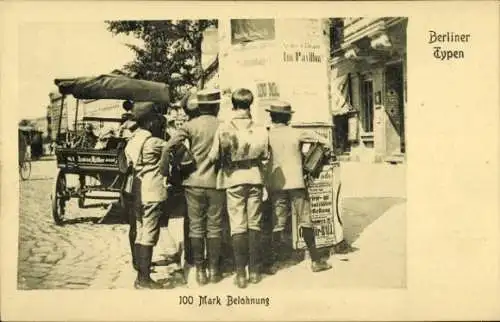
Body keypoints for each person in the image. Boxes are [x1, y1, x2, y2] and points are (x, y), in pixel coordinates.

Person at [159, 88, 225, 287]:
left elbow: (167, 147)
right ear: (216, 106)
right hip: (217, 183)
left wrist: (166, 173)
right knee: (214, 227)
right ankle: (214, 271)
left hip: (192, 183)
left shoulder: (189, 126)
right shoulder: (223, 125)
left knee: (195, 226)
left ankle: (200, 271)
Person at [208, 88, 269, 289]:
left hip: (233, 178)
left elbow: (213, 157)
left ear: (233, 105)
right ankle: (254, 272)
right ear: (249, 105)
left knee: (238, 225)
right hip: (255, 177)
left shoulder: (225, 129)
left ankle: (240, 274)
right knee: (255, 224)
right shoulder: (260, 128)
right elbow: (265, 156)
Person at [263, 101, 332, 274]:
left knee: (278, 221)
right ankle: (316, 261)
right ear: (288, 117)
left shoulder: (267, 134)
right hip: (297, 182)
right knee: (305, 219)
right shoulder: (298, 132)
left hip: (276, 182)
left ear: (272, 116)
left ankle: (273, 263)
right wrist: (311, 160)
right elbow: (325, 142)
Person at [124, 102, 171, 289]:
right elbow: (176, 152)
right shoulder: (155, 142)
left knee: (141, 230)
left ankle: (139, 271)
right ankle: (144, 279)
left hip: (137, 191)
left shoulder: (133, 140)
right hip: (152, 191)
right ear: (151, 122)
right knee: (150, 234)